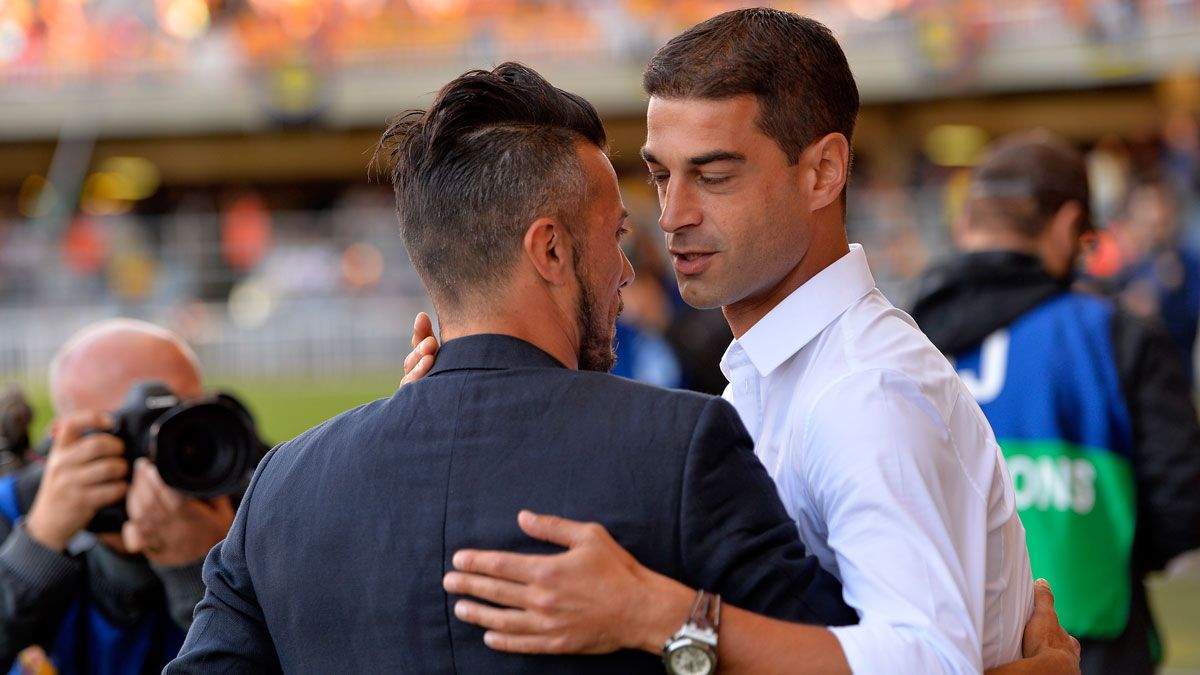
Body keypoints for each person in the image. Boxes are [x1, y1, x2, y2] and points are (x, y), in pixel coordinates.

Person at [409, 8, 1071, 675]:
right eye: (662, 176)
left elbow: (928, 659)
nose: (673, 216)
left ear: (823, 171)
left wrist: (661, 615)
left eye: (714, 175)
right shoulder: (777, 371)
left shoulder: (866, 389)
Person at [166, 62, 861, 674]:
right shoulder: (682, 446)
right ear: (551, 250)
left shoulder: (284, 486)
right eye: (613, 236)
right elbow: (850, 660)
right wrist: (677, 622)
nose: (627, 269)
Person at [909, 131, 1200, 675]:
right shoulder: (1117, 335)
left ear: (967, 221)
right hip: (1093, 641)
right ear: (1069, 225)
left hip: (938, 645)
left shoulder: (900, 334)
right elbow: (1182, 505)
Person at [0, 319, 239, 673]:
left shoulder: (253, 510)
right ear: (65, 438)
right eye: (132, 428)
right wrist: (38, 546)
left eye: (182, 421)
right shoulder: (13, 508)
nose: (157, 453)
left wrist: (211, 570)